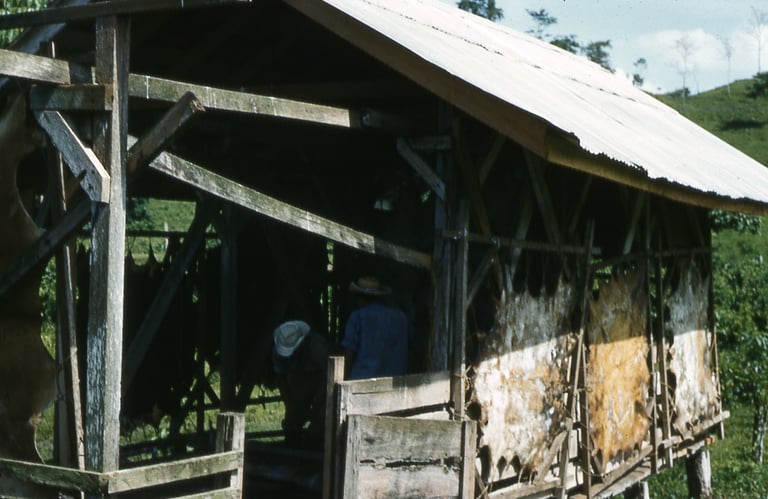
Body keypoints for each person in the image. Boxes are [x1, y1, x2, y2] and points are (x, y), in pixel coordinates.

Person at [340, 276, 414, 380]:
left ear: (360, 298)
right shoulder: (401, 317)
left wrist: (344, 379)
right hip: (397, 384)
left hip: (361, 384)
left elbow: (349, 352)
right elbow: (413, 348)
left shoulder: (357, 316)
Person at [272, 320, 331, 447]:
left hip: (320, 378)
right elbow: (281, 378)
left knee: (320, 421)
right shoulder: (278, 349)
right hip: (297, 378)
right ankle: (293, 446)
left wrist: (318, 405)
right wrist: (289, 405)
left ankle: (315, 448)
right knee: (292, 420)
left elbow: (328, 377)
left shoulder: (317, 347)